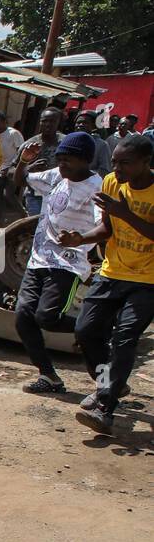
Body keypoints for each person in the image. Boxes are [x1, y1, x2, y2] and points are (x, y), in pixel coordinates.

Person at [61, 133, 154, 435]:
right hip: (112, 272)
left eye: (125, 163)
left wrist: (125, 213)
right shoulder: (112, 183)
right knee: (85, 331)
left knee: (124, 339)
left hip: (147, 280)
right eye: (114, 161)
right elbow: (107, 227)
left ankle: (105, 408)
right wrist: (81, 239)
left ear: (145, 162)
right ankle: (109, 385)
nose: (117, 169)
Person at [11, 132, 103, 394]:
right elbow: (20, 180)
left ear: (85, 160)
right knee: (23, 318)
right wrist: (23, 161)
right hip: (39, 259)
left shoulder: (96, 187)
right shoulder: (55, 177)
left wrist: (80, 239)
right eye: (60, 158)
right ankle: (49, 376)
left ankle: (104, 372)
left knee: (47, 317)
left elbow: (104, 225)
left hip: (68, 263)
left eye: (68, 160)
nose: (62, 164)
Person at [19, 107, 64, 216]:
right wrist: (29, 168)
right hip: (34, 196)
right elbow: (12, 172)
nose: (48, 124)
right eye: (44, 121)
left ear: (59, 122)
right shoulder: (29, 145)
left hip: (60, 195)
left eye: (52, 121)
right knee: (35, 228)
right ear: (40, 122)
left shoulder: (66, 143)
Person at [0, 112, 24, 215]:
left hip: (13, 169)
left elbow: (21, 151)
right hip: (1, 169)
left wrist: (11, 166)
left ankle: (23, 214)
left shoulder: (13, 133)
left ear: (4, 122)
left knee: (8, 194)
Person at [75, 109, 112, 176]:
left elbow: (105, 170)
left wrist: (84, 176)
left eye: (85, 122)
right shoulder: (67, 140)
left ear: (93, 126)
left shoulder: (102, 145)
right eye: (78, 122)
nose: (80, 125)